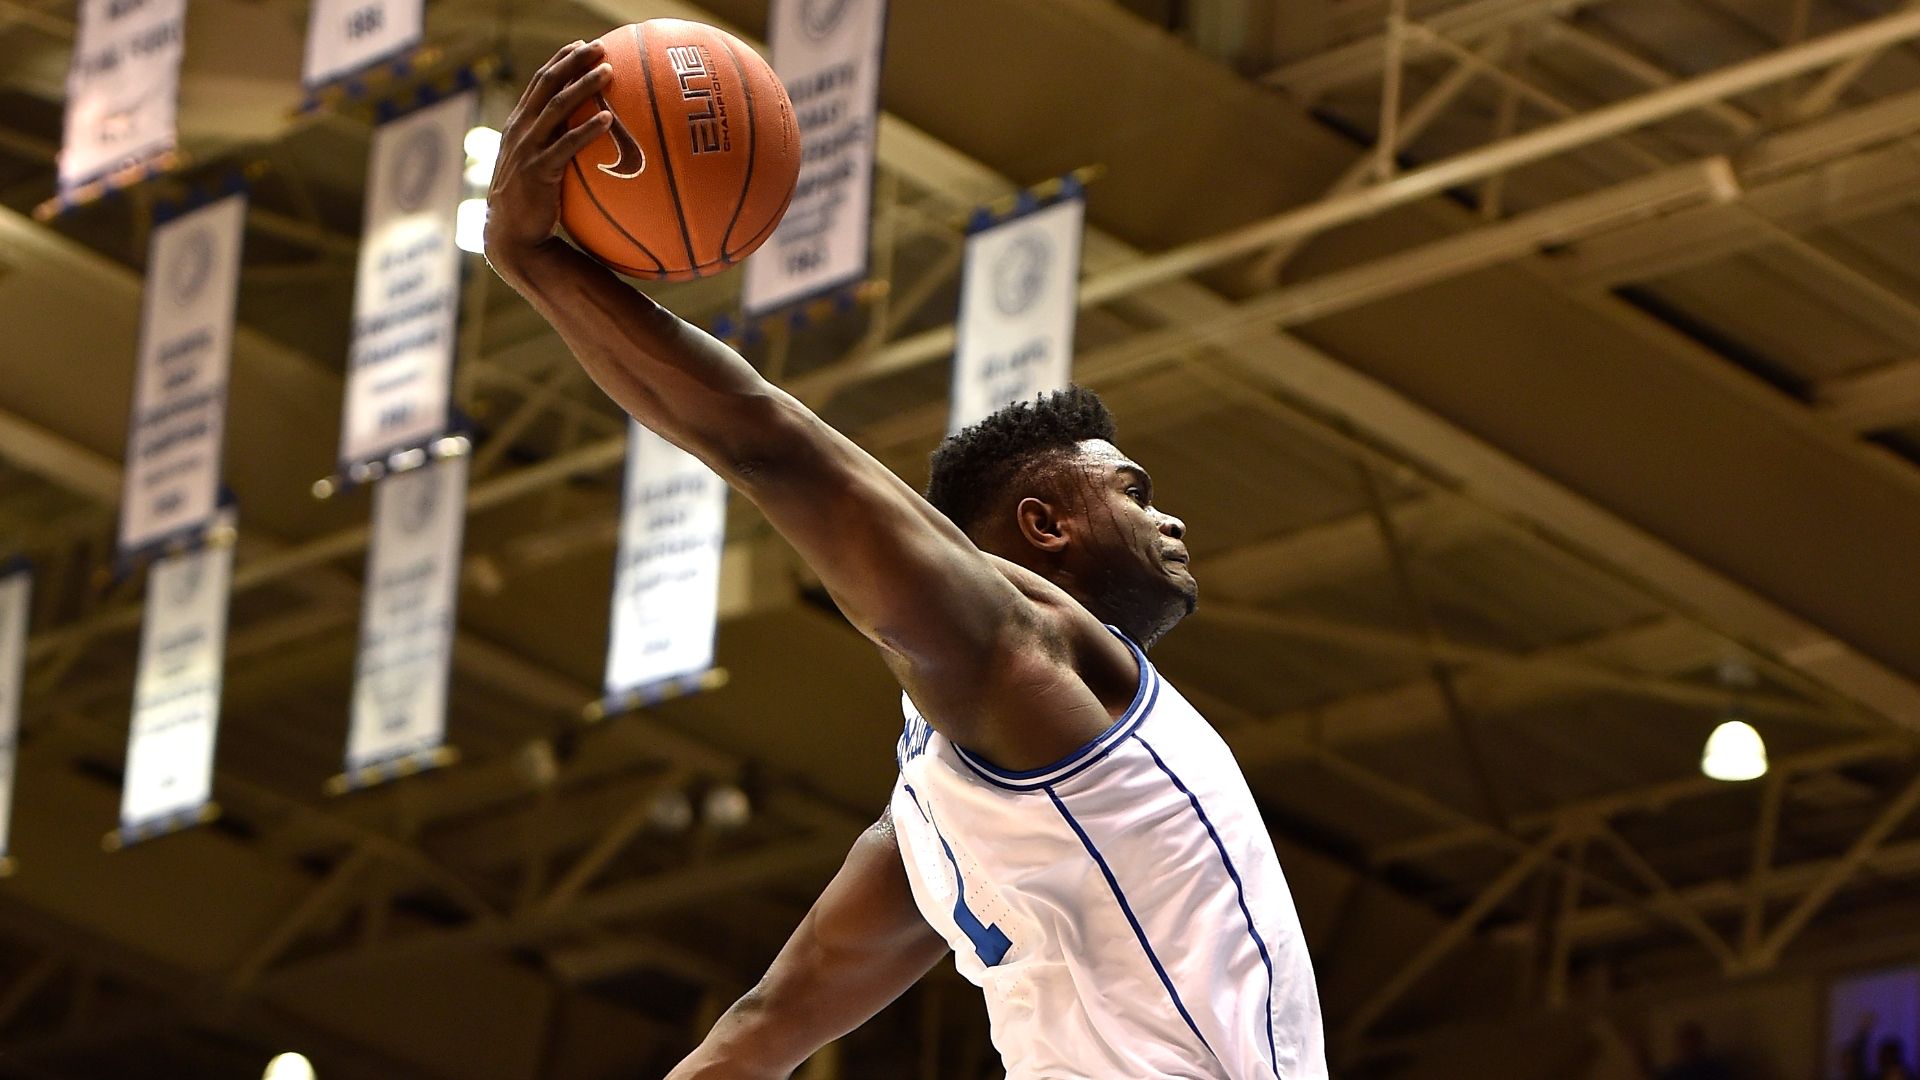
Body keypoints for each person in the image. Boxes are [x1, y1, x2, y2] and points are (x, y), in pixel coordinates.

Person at [485, 39, 1327, 1080]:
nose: (1172, 525)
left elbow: (760, 1034)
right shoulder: (1031, 655)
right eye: (1132, 493)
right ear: (1042, 527)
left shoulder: (939, 815)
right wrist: (534, 261)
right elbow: (769, 447)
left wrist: (535, 266)